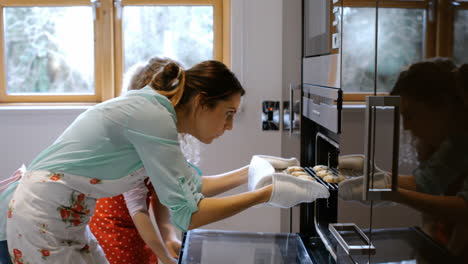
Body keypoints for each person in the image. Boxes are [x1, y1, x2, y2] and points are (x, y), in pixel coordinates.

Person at [0, 57, 279, 263]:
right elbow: (189, 215)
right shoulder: (154, 118)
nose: (229, 126)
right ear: (201, 103)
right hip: (42, 215)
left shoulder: (156, 117)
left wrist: (253, 170)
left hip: (69, 215)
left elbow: (194, 185)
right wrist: (266, 194)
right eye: (228, 113)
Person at [339, 58, 468, 261]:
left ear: (443, 106)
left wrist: (393, 193)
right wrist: (377, 176)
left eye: (412, 115)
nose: (407, 126)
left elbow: (464, 208)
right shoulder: (455, 142)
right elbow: (426, 182)